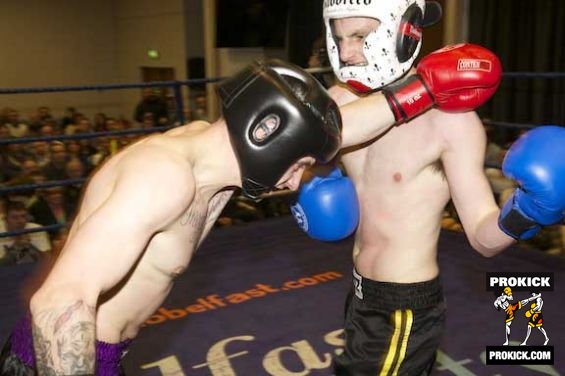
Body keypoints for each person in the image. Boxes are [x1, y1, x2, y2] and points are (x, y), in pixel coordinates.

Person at [0, 59, 342, 375]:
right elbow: (59, 301)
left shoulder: (211, 157)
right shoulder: (166, 177)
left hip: (102, 354)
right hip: (57, 358)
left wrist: (395, 101)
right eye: (297, 164)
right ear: (265, 132)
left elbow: (346, 127)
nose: (295, 181)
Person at [291, 1, 565, 374]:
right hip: (358, 292)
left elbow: (484, 239)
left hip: (405, 307)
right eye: (339, 38)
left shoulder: (449, 123)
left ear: (404, 32)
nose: (347, 52)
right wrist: (308, 180)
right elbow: (303, 169)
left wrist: (528, 211)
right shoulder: (341, 103)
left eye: (360, 36)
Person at [0, 200, 52, 266]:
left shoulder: (37, 229)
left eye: (23, 216)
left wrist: (30, 246)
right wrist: (16, 247)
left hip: (34, 270)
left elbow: (48, 260)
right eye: (15, 217)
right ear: (5, 219)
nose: (20, 221)